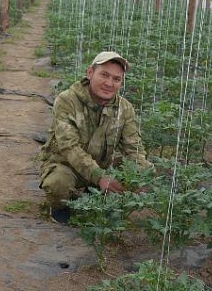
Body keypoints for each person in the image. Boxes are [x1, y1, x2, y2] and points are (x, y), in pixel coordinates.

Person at [39, 51, 154, 224]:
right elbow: (69, 147)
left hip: (102, 166)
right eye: (104, 75)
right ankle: (59, 205)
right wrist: (100, 177)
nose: (109, 83)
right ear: (90, 73)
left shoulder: (125, 108)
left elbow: (134, 148)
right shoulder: (67, 101)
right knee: (58, 184)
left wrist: (139, 175)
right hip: (67, 165)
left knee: (140, 170)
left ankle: (93, 193)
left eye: (116, 79)